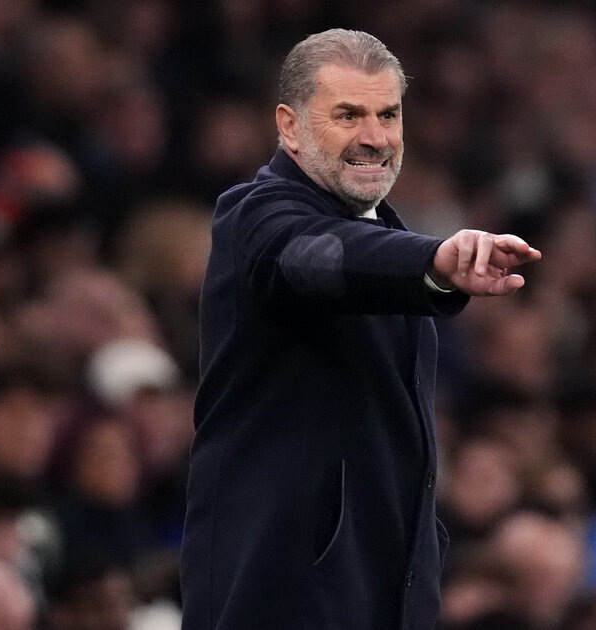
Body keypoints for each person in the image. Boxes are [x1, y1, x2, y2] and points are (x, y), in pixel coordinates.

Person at [180, 29, 541, 630]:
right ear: (290, 126)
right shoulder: (254, 214)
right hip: (282, 596)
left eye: (388, 115)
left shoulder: (389, 237)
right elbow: (317, 258)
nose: (375, 138)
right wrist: (434, 261)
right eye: (348, 115)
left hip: (382, 594)